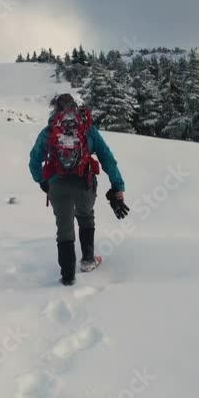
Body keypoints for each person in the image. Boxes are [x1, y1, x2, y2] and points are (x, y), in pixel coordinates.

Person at [29, 93, 130, 286]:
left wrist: (42, 182)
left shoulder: (49, 131)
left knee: (64, 228)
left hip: (57, 185)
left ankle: (68, 276)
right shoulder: (87, 129)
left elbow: (34, 161)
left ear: (56, 110)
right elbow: (107, 158)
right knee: (86, 217)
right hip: (85, 183)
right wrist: (118, 186)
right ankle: (88, 261)